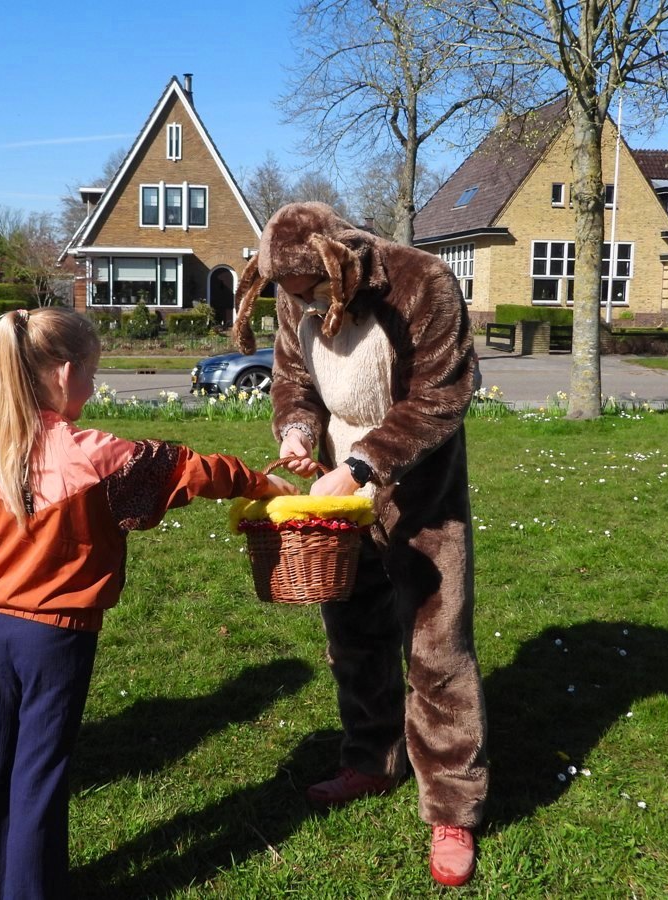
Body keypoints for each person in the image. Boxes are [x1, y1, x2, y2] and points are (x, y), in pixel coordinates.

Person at [0, 307, 294, 899]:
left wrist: (14, 569)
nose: (93, 382)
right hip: (58, 638)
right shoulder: (93, 454)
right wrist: (257, 480)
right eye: (92, 371)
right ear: (64, 372)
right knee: (38, 776)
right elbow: (187, 470)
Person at [230, 201, 487, 887]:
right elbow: (294, 378)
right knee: (353, 634)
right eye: (293, 295)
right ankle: (371, 760)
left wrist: (363, 464)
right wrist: (297, 431)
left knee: (437, 647)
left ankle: (452, 807)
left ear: (338, 264)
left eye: (314, 292)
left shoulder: (423, 282)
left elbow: (441, 396)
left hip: (421, 492)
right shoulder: (295, 292)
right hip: (340, 494)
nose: (306, 305)